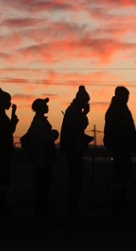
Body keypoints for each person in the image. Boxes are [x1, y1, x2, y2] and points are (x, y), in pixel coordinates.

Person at [104, 86, 136, 215]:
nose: (127, 99)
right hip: (121, 149)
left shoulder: (117, 109)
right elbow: (119, 130)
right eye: (126, 96)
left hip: (122, 148)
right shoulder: (117, 110)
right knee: (120, 178)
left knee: (122, 178)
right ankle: (119, 205)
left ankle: (120, 204)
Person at [60, 85, 92, 215]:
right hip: (74, 150)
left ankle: (72, 207)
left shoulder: (72, 110)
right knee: (75, 179)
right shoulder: (75, 112)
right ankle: (72, 208)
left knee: (75, 179)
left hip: (72, 148)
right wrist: (85, 115)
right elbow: (79, 128)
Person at [0, 86, 18, 215]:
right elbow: (8, 131)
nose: (9, 103)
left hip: (0, 151)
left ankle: (1, 205)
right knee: (2, 179)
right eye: (8, 101)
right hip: (1, 152)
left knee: (1, 179)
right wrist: (14, 120)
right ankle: (1, 206)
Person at [27, 98, 59, 215]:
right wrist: (54, 134)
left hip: (42, 158)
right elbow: (43, 141)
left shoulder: (38, 122)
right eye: (45, 105)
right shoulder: (38, 123)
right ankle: (40, 209)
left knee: (43, 184)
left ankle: (41, 208)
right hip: (42, 159)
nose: (47, 107)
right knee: (43, 184)